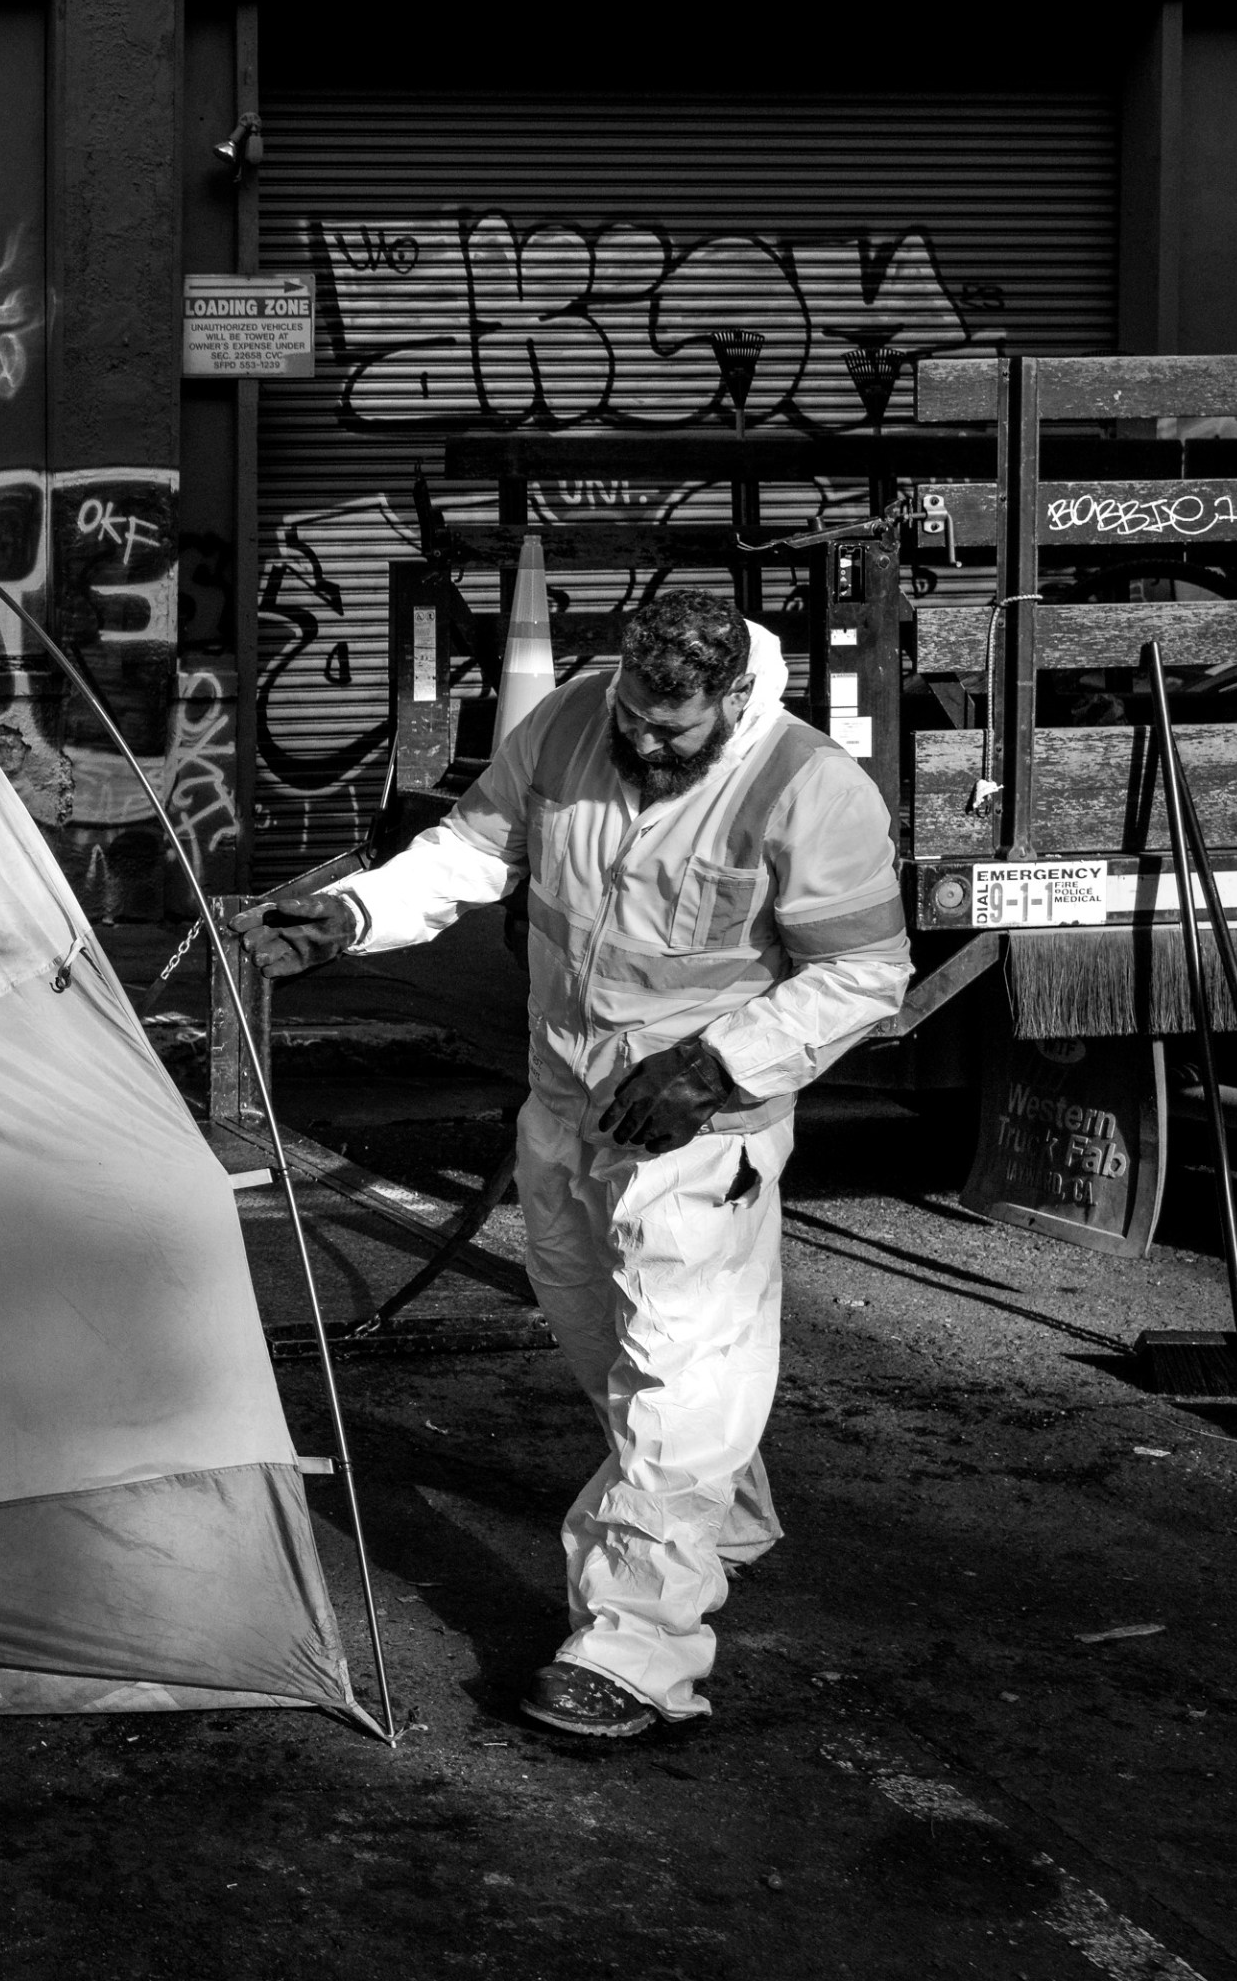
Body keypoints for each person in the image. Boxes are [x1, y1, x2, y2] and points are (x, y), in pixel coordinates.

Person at [226, 588, 905, 1741]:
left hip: (697, 1139)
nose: (640, 741)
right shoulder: (570, 721)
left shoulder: (809, 787)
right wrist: (350, 914)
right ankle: (718, 1513)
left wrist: (720, 1060)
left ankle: (635, 1652)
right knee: (605, 1347)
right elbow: (465, 852)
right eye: (633, 713)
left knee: (677, 1379)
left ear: (735, 697)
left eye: (671, 727)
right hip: (562, 1110)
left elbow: (863, 973)